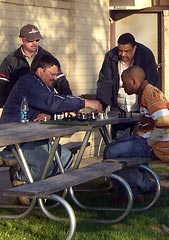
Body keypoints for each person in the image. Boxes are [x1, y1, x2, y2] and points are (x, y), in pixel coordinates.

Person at [0, 54, 103, 204]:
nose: (55, 78)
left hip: (34, 135)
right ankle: (21, 179)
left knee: (66, 158)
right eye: (52, 74)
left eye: (56, 74)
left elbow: (48, 104)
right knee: (44, 166)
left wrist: (47, 113)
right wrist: (85, 102)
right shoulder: (28, 82)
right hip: (17, 137)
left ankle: (40, 189)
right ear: (40, 71)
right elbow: (53, 102)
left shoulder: (43, 85)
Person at [103, 65, 169, 202]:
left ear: (135, 82)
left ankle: (128, 192)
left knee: (111, 152)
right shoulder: (147, 93)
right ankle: (144, 185)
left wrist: (148, 143)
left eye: (125, 83)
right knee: (114, 148)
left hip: (158, 146)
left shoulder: (151, 95)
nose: (123, 87)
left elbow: (164, 124)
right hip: (156, 143)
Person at [96, 32, 159, 139]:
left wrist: (149, 106)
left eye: (127, 51)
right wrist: (101, 104)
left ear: (134, 48)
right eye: (120, 50)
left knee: (140, 143)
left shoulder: (146, 55)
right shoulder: (110, 57)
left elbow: (151, 82)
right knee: (119, 144)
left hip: (141, 107)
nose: (123, 54)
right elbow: (105, 82)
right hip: (119, 108)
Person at [0, 24, 72, 108]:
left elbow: (61, 82)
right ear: (21, 39)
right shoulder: (10, 60)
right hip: (19, 106)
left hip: (43, 106)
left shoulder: (47, 57)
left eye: (37, 40)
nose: (34, 43)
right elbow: (1, 85)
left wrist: (70, 104)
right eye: (30, 40)